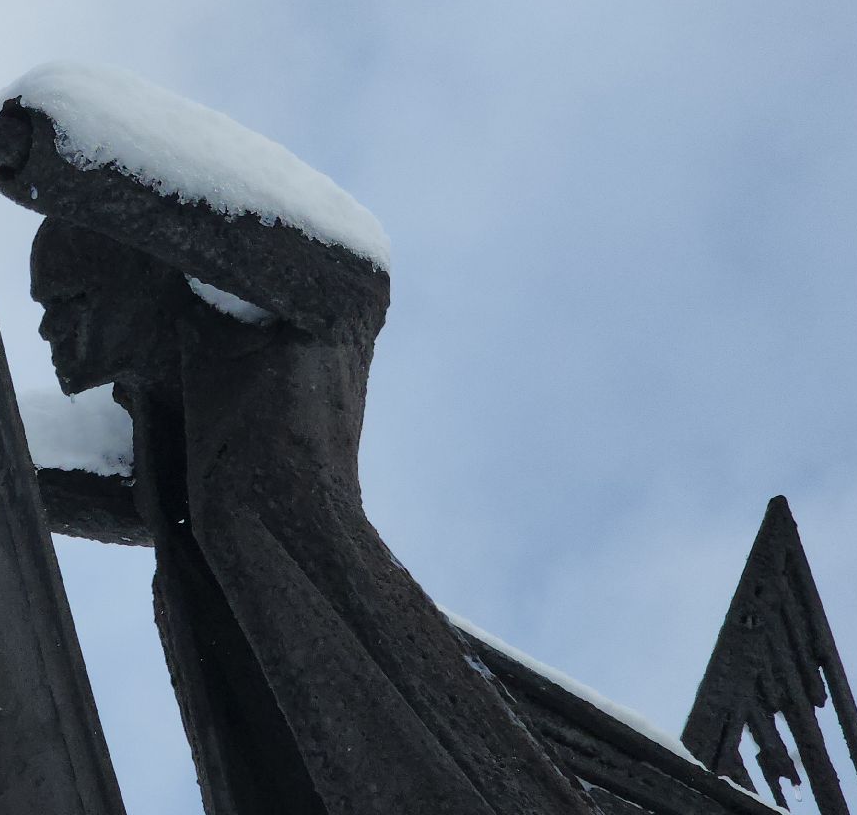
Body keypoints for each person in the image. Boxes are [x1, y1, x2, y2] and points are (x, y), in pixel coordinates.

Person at [30, 218, 593, 815]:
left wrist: (59, 169)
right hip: (267, 735)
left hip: (378, 694)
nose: (48, 326)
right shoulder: (160, 438)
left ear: (142, 278)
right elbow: (13, 466)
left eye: (70, 297)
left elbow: (353, 276)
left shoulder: (283, 336)